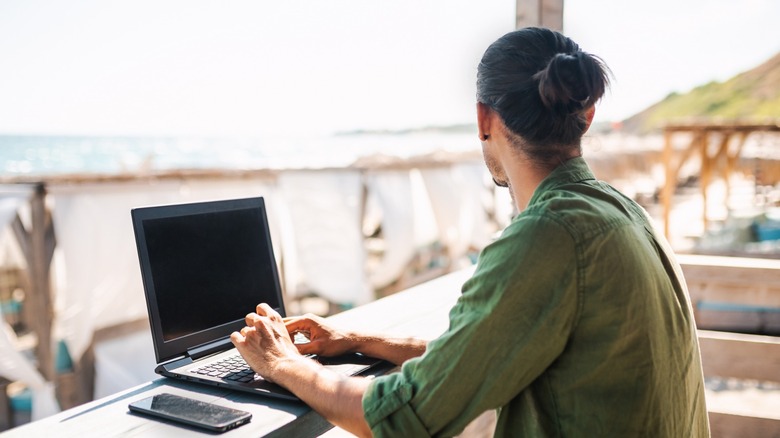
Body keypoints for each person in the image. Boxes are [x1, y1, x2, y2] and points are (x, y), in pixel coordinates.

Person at [230, 27, 710, 437]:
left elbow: (403, 417)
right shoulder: (621, 212)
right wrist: (355, 338)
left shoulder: (547, 236)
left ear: (484, 119)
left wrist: (281, 364)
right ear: (586, 115)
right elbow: (485, 355)